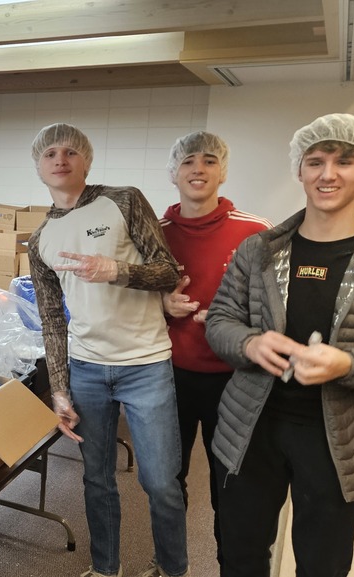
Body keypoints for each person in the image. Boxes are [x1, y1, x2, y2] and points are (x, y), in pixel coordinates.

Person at [205, 113, 354, 577]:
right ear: (299, 171)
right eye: (315, 162)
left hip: (342, 438)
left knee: (323, 561)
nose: (328, 174)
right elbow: (220, 320)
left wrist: (348, 363)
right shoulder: (259, 251)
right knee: (239, 549)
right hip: (251, 428)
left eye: (345, 162)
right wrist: (250, 344)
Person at [27, 123, 189, 577]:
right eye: (50, 153)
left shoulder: (123, 200)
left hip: (146, 365)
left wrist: (116, 269)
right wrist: (59, 389)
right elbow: (52, 321)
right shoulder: (40, 241)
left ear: (87, 160)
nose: (61, 159)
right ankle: (105, 569)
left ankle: (173, 569)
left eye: (71, 151)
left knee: (160, 483)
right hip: (87, 371)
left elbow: (168, 272)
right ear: (39, 167)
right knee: (96, 479)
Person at [159, 131, 271, 564]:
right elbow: (130, 299)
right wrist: (161, 304)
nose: (198, 169)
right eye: (188, 162)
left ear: (222, 171)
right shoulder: (154, 233)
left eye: (209, 161)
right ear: (173, 172)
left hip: (235, 379)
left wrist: (237, 317)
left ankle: (233, 565)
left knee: (232, 481)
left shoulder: (256, 232)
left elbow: (279, 306)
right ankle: (170, 562)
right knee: (168, 479)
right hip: (169, 376)